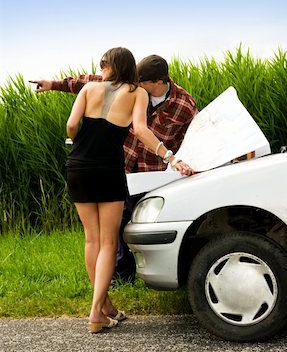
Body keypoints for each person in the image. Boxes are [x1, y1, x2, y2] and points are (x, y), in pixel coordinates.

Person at [30, 54, 198, 281]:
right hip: (122, 165)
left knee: (146, 222)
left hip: (154, 172)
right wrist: (53, 85)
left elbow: (196, 135)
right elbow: (89, 82)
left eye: (143, 82)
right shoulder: (131, 90)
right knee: (116, 224)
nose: (137, 85)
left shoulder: (184, 105)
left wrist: (182, 161)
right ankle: (120, 275)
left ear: (159, 82)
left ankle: (156, 270)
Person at [65, 47, 193, 333]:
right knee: (109, 242)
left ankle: (105, 306)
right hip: (108, 171)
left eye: (102, 65)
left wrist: (76, 140)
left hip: (77, 167)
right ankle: (96, 312)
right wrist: (170, 157)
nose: (100, 71)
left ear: (110, 67)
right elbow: (141, 130)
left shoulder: (89, 89)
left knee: (91, 241)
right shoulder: (137, 94)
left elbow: (72, 125)